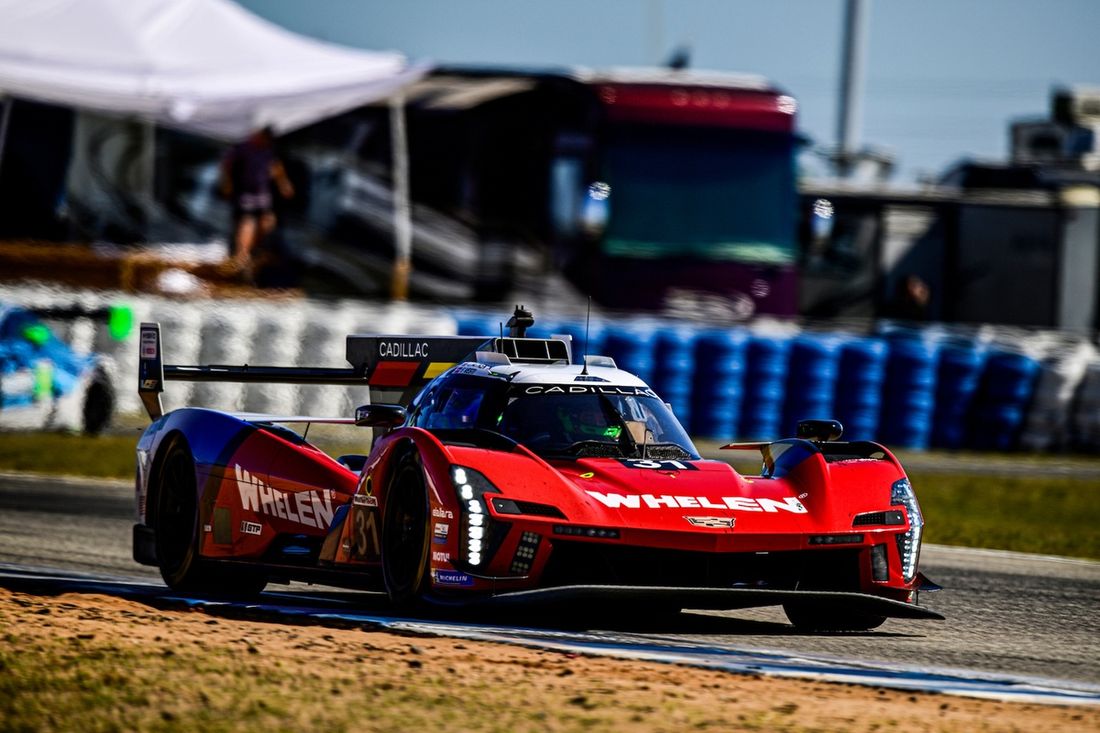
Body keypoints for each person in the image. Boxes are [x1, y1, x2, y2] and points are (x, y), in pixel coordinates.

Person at [219, 127, 294, 273]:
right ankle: (242, 256)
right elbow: (227, 164)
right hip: (246, 193)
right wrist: (227, 183)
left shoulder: (268, 151)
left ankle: (253, 251)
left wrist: (284, 184)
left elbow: (277, 168)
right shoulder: (242, 148)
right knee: (247, 222)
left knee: (267, 223)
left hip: (262, 194)